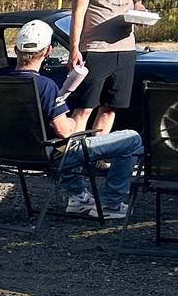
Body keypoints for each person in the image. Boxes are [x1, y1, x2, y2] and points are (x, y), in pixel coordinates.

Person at [8, 18, 141, 219]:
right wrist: (67, 113)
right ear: (47, 52)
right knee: (131, 140)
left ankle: (78, 197)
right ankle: (111, 203)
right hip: (46, 154)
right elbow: (64, 131)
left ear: (16, 51)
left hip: (7, 152)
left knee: (62, 148)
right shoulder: (45, 86)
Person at [67, 0, 149, 135]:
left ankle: (96, 153)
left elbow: (137, 3)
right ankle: (72, 155)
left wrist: (142, 14)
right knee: (84, 107)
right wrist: (74, 48)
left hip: (125, 48)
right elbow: (79, 11)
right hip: (95, 48)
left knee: (111, 107)